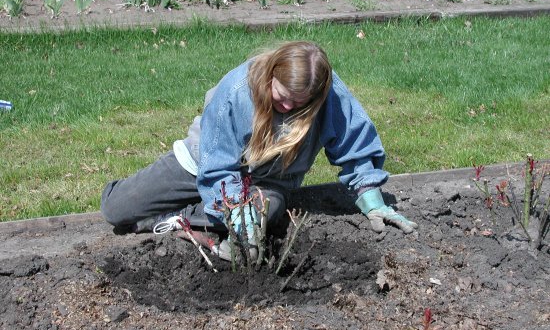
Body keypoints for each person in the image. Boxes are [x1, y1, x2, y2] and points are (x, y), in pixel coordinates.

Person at [101, 41, 417, 261]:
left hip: (269, 183)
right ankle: (201, 214)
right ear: (271, 75)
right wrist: (238, 218)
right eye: (282, 97)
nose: (289, 107)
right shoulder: (236, 92)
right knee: (116, 211)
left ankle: (178, 218)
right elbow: (218, 168)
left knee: (263, 215)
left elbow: (354, 143)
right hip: (204, 163)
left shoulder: (329, 94)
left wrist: (372, 200)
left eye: (299, 102)